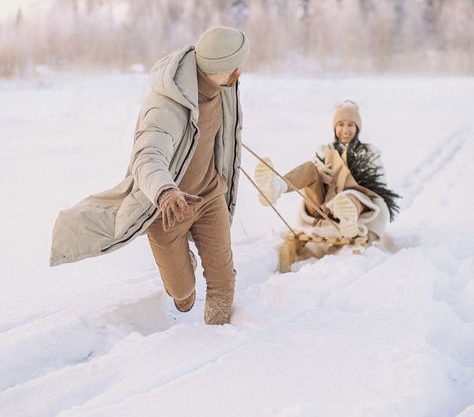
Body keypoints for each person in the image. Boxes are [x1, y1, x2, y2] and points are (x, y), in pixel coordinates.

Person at [50, 26, 250, 325]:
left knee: (223, 280)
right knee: (183, 294)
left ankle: (214, 340)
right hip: (167, 208)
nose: (239, 72)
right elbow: (147, 156)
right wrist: (166, 192)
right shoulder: (164, 105)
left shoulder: (225, 86)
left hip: (209, 195)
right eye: (235, 66)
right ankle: (182, 279)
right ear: (216, 68)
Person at [255, 101, 399, 249]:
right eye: (341, 124)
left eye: (351, 125)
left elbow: (379, 188)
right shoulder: (324, 150)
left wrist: (355, 179)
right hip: (321, 208)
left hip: (356, 206)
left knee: (350, 194)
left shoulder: (368, 152)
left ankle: (347, 218)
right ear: (334, 127)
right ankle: (277, 187)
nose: (345, 130)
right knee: (310, 168)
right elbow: (312, 179)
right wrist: (321, 173)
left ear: (357, 127)